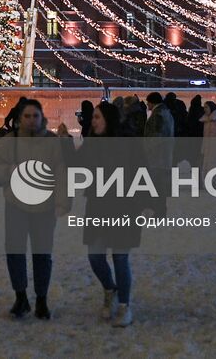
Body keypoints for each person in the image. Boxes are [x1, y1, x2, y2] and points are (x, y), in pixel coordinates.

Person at [0, 97, 64, 320]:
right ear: (20, 118)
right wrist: (10, 171)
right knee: (15, 252)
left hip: (44, 208)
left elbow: (62, 173)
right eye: (27, 116)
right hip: (16, 206)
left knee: (42, 254)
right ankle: (20, 296)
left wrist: (62, 201)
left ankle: (41, 299)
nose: (31, 120)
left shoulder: (52, 142)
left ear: (42, 117)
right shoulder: (10, 141)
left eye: (35, 116)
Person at [79, 101, 139, 327]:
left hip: (124, 207)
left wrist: (150, 203)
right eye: (93, 117)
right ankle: (110, 289)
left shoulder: (127, 143)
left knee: (120, 257)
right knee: (95, 256)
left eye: (97, 117)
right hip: (97, 206)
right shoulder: (91, 143)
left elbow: (142, 171)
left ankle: (124, 305)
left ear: (108, 119)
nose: (93, 121)